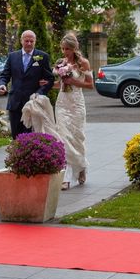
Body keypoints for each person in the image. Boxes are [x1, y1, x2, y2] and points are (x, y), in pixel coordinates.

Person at [53, 33, 94, 190]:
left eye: (68, 49)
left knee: (77, 139)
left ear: (74, 48)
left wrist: (74, 81)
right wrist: (49, 84)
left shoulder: (83, 63)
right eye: (63, 49)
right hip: (62, 104)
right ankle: (67, 177)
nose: (65, 52)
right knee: (63, 138)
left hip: (76, 104)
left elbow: (90, 85)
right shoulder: (61, 63)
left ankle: (81, 166)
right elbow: (60, 85)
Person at [0, 30, 55, 139]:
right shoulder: (12, 56)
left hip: (33, 104)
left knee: (31, 137)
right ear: (21, 41)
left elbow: (50, 79)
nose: (29, 43)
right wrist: (2, 84)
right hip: (15, 103)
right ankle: (16, 156)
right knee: (16, 136)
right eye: (26, 41)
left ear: (35, 42)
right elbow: (5, 75)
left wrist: (39, 93)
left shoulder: (42, 57)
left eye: (31, 41)